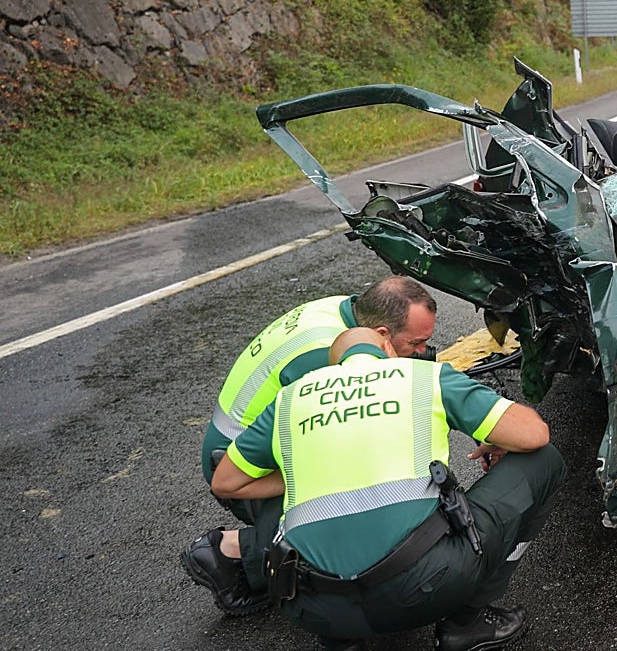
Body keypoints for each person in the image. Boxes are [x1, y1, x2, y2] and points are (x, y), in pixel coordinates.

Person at [211, 327, 566, 651]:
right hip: (426, 589)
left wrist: (304, 469)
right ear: (386, 347)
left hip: (311, 606)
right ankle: (467, 623)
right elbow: (535, 435)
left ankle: (345, 641)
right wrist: (497, 440)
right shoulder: (422, 377)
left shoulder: (291, 399)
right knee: (543, 461)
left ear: (334, 366)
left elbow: (225, 481)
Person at [181, 276, 439, 616]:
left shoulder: (345, 314)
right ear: (381, 334)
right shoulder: (322, 357)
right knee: (354, 490)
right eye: (417, 343)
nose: (423, 352)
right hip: (237, 463)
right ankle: (231, 553)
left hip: (249, 446)